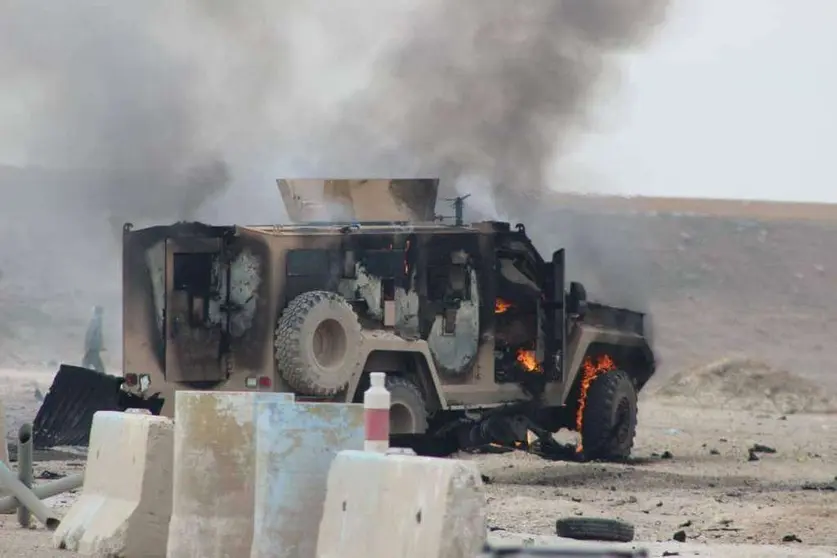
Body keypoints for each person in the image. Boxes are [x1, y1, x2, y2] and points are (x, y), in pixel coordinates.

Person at [82, 305, 105, 373]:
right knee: (89, 362)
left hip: (93, 347)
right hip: (93, 347)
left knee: (88, 362)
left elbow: (93, 333)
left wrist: (89, 345)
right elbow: (96, 334)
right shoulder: (97, 320)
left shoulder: (96, 320)